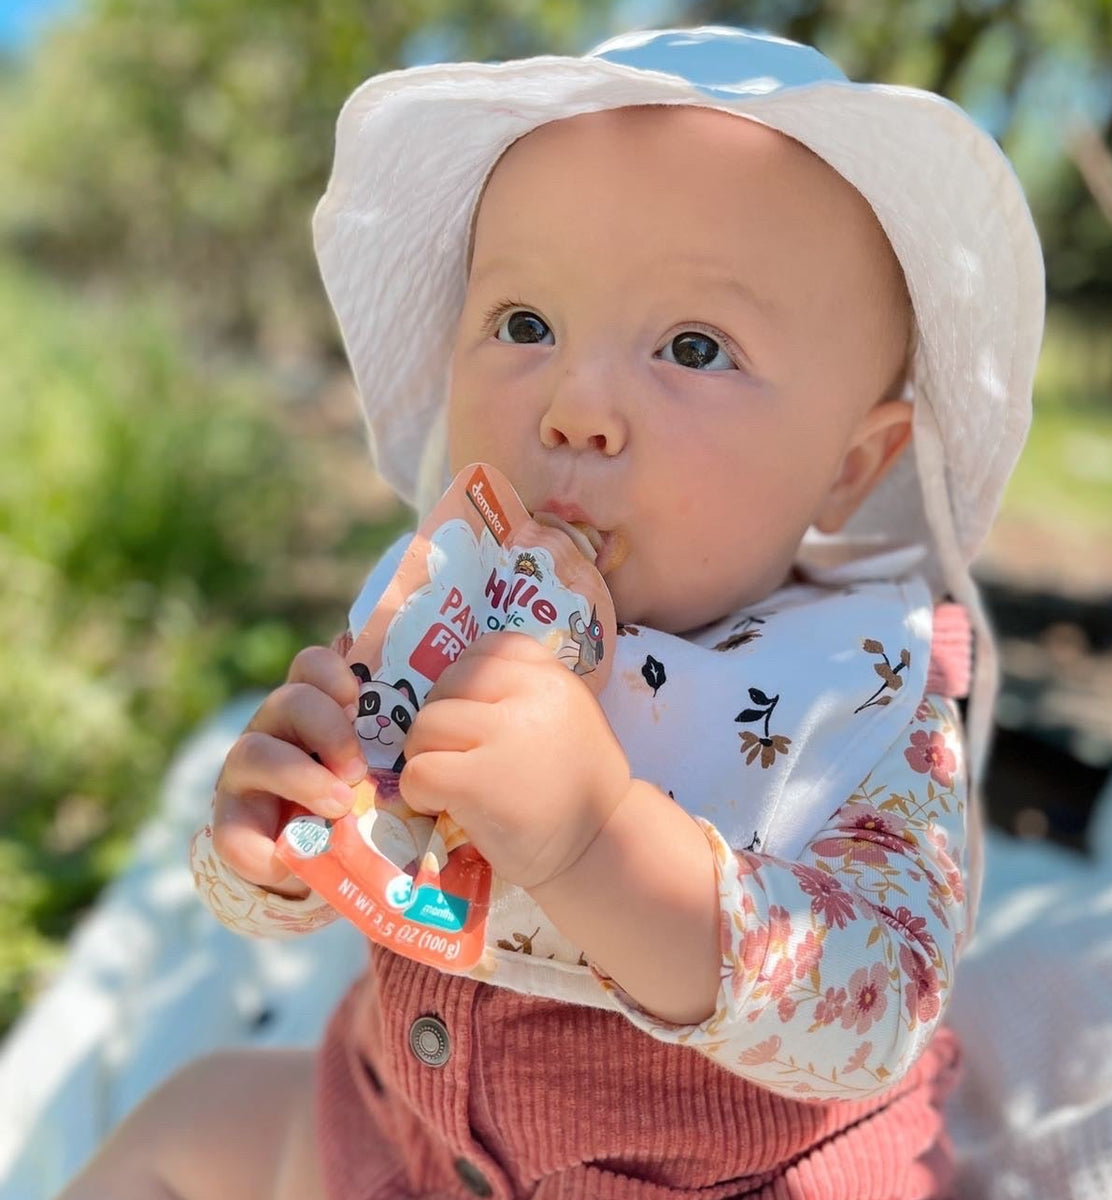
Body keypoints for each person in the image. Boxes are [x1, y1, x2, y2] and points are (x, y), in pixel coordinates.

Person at [57, 23, 1044, 1200]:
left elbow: (874, 1007)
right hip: (401, 1134)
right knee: (193, 1121)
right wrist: (267, 852)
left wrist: (597, 840)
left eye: (693, 346)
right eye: (524, 325)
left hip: (726, 1185)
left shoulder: (864, 691)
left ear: (849, 463)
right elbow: (352, 854)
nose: (577, 408)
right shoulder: (453, 612)